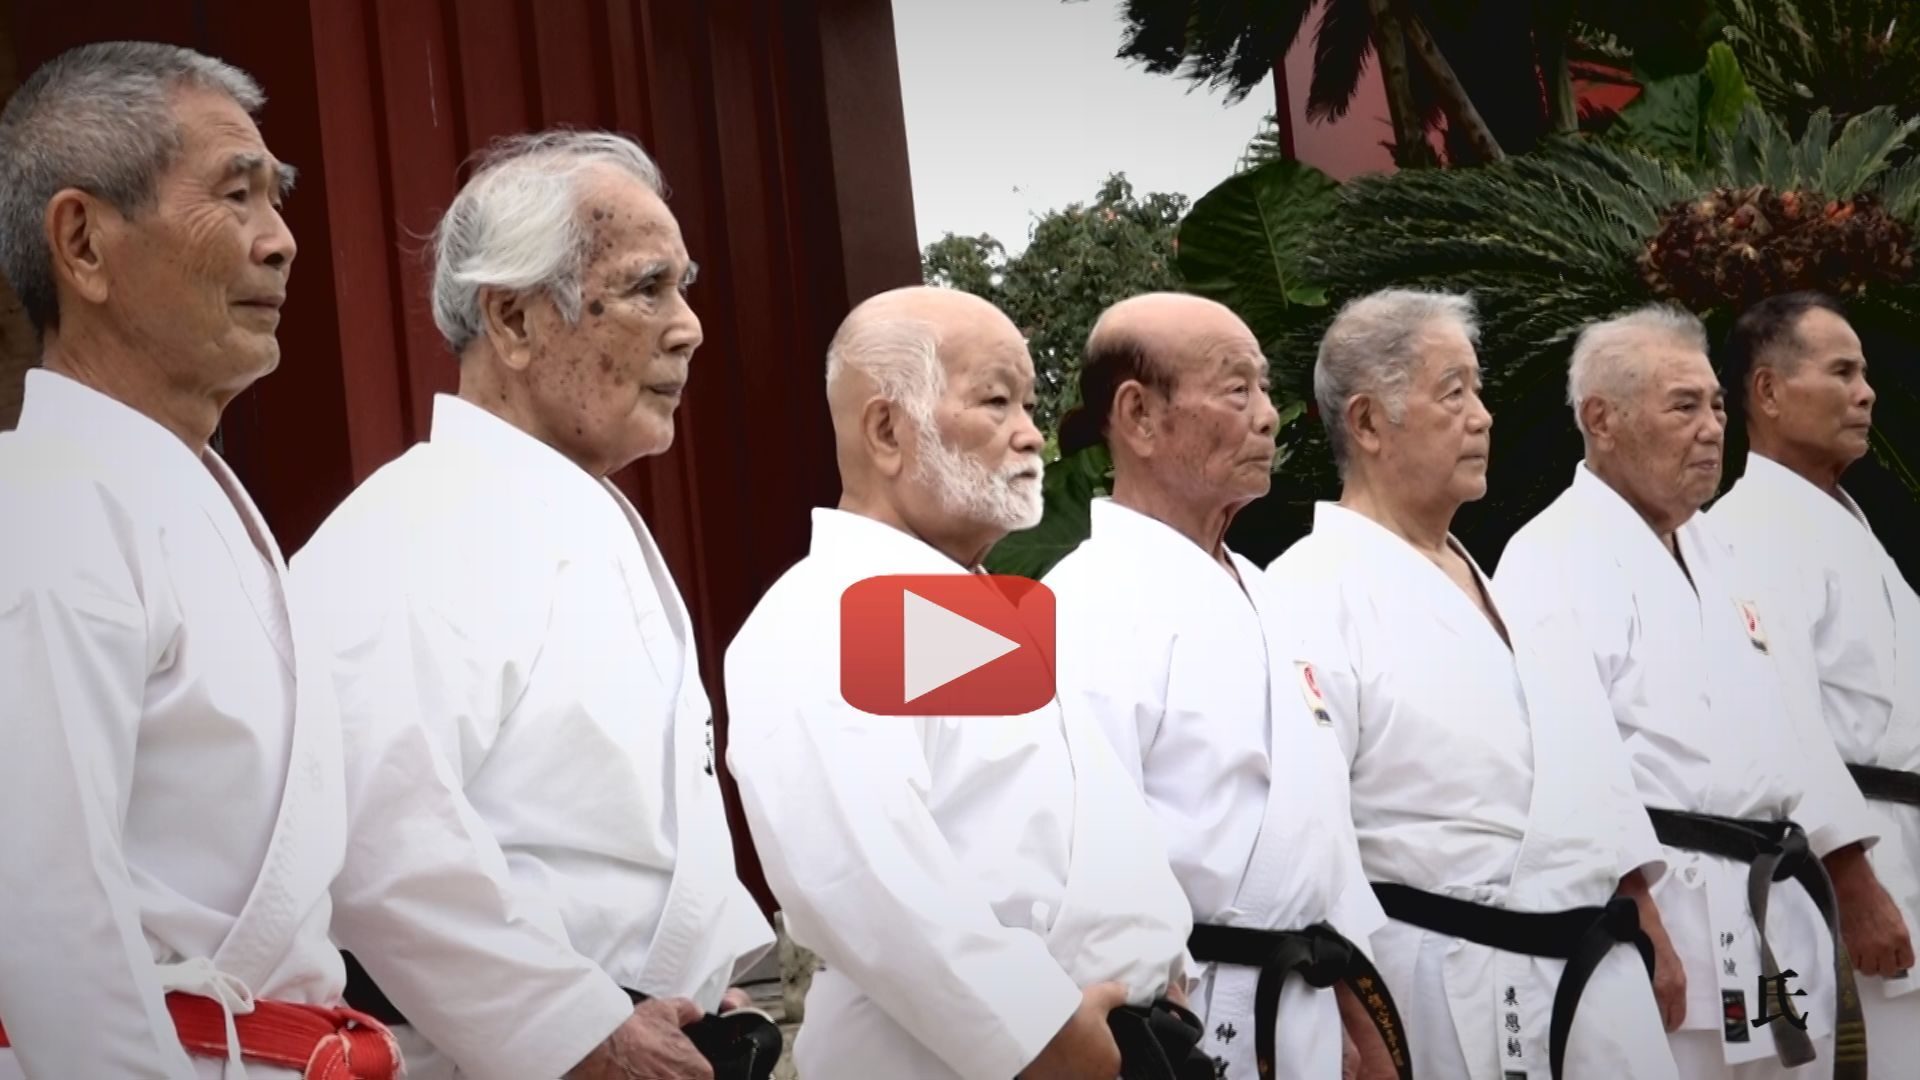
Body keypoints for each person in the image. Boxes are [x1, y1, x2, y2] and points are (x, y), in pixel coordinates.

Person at [289, 131, 777, 1079]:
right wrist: (579, 1026)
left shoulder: (581, 516)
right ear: (513, 321)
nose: (689, 327)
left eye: (686, 286)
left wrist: (699, 966)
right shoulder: (411, 528)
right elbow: (384, 837)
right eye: (647, 288)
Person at [0, 41, 398, 1079]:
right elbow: (47, 913)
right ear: (82, 243)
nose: (283, 244)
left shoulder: (192, 497)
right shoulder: (44, 505)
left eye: (281, 199)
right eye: (238, 195)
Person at [725, 285, 1199, 1080]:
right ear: (886, 430)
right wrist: (1039, 1033)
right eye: (996, 402)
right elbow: (867, 874)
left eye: (1029, 404)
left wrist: (1166, 963)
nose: (1030, 437)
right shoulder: (825, 613)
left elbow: (1080, 824)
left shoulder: (981, 608)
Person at [1267, 289, 1682, 1080]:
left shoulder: (1493, 580)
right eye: (1452, 392)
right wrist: (1354, 1014)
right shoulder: (1307, 592)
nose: (1483, 415)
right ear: (1366, 422)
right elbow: (1313, 835)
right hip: (1450, 976)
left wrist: (1643, 907)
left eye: (1478, 390)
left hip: (1595, 958)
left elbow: (1584, 759)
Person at [1495, 303, 1901, 1079]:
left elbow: (1797, 728)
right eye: (1683, 406)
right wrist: (1635, 916)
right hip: (1666, 906)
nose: (1713, 427)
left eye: (1716, 404)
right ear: (1601, 419)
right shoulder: (1548, 555)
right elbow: (1573, 753)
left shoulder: (1722, 549)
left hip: (1767, 903)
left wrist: (1848, 869)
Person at [1044, 293, 1406, 1080]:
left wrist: (1363, 1011)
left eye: (1266, 389)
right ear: (1138, 416)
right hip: (1181, 1018)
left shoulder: (1271, 594)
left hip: (1306, 988)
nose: (1269, 416)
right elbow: (1084, 852)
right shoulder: (1084, 601)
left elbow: (1321, 825)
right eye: (1237, 390)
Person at [1708, 292, 1920, 1064]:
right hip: (1848, 859)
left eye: (1864, 372)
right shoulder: (1751, 529)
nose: (1866, 392)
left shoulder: (1840, 519)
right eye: (1841, 371)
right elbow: (1781, 717)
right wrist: (1854, 878)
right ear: (1766, 392)